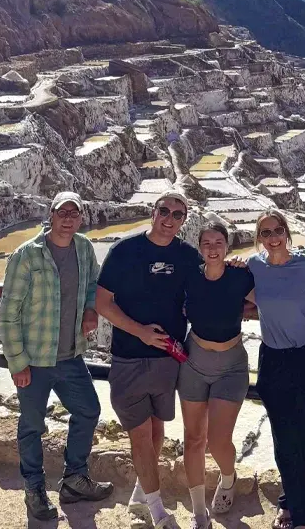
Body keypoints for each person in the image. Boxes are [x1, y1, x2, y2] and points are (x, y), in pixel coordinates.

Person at [0, 191, 114, 521]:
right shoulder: (27, 255)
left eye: (74, 213)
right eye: (62, 212)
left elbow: (92, 283)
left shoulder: (83, 248)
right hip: (34, 360)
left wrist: (90, 309)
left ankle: (75, 478)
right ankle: (34, 488)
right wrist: (17, 362)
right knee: (32, 425)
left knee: (88, 410)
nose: (67, 219)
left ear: (81, 219)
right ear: (50, 215)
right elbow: (8, 313)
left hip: (69, 355)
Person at [95, 191, 203, 529]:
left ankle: (140, 495)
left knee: (156, 431)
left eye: (178, 214)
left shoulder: (187, 256)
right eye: (164, 211)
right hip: (130, 359)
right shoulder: (124, 251)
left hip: (168, 360)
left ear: (183, 220)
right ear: (152, 212)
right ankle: (158, 513)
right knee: (140, 435)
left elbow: (209, 287)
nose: (169, 219)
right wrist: (139, 332)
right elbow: (102, 302)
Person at [246, 209, 305, 529]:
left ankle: (288, 503)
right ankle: (301, 517)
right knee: (283, 439)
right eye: (265, 233)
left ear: (287, 233)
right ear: (259, 238)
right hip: (274, 360)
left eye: (277, 230)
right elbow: (225, 282)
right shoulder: (253, 266)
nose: (273, 237)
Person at [178, 223, 256, 529]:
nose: (212, 248)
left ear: (227, 246)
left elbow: (272, 301)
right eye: (207, 243)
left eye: (218, 242)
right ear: (200, 247)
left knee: (218, 441)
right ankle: (199, 513)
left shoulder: (240, 276)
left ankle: (228, 478)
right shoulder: (191, 277)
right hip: (194, 362)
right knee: (193, 439)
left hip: (231, 366)